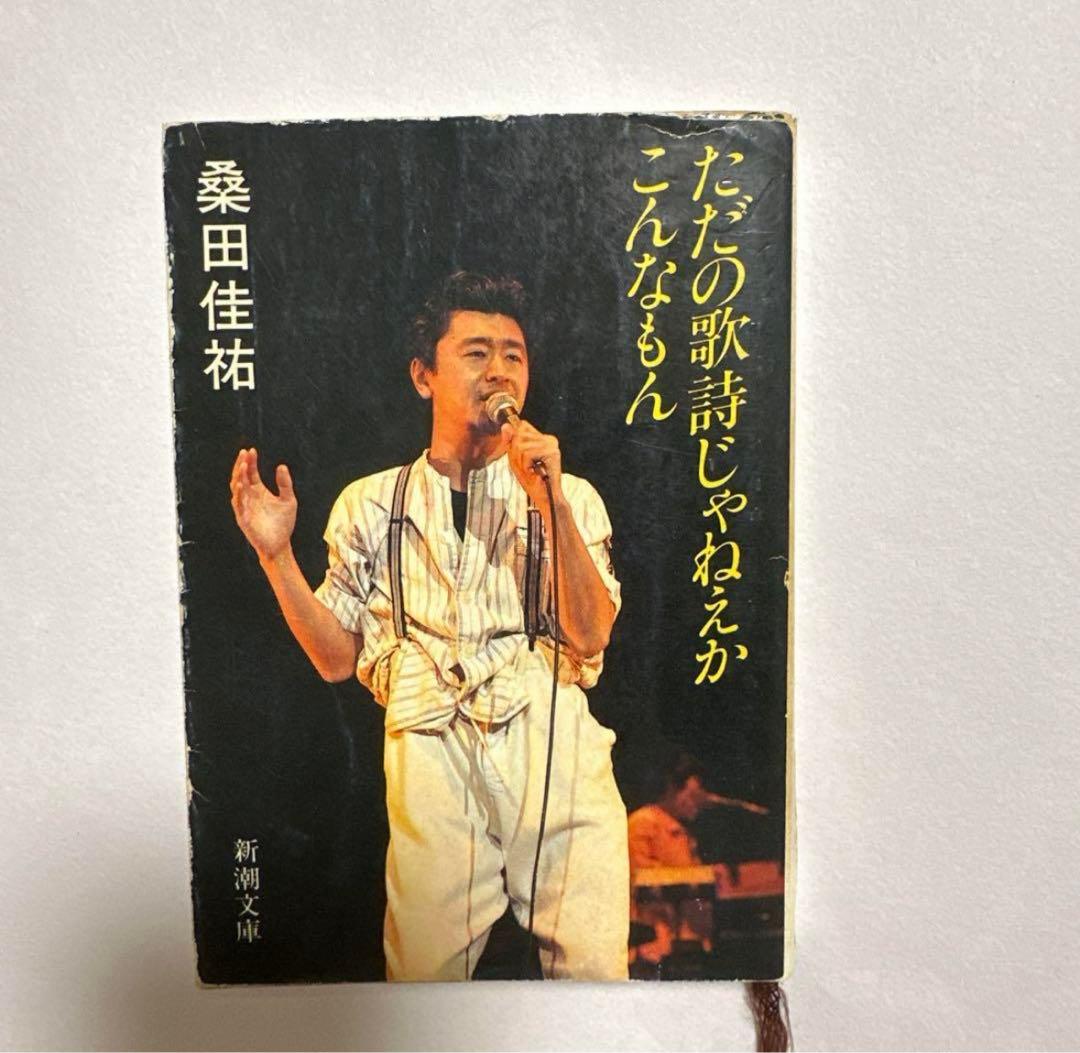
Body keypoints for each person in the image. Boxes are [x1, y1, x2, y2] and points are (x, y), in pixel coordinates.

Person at [228, 272, 629, 981]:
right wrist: (275, 556)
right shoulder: (370, 503)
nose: (499, 370)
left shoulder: (570, 493)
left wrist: (551, 502)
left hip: (550, 737)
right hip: (430, 740)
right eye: (476, 353)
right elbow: (335, 658)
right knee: (422, 973)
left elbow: (591, 633)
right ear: (424, 375)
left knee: (594, 969)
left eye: (513, 354)